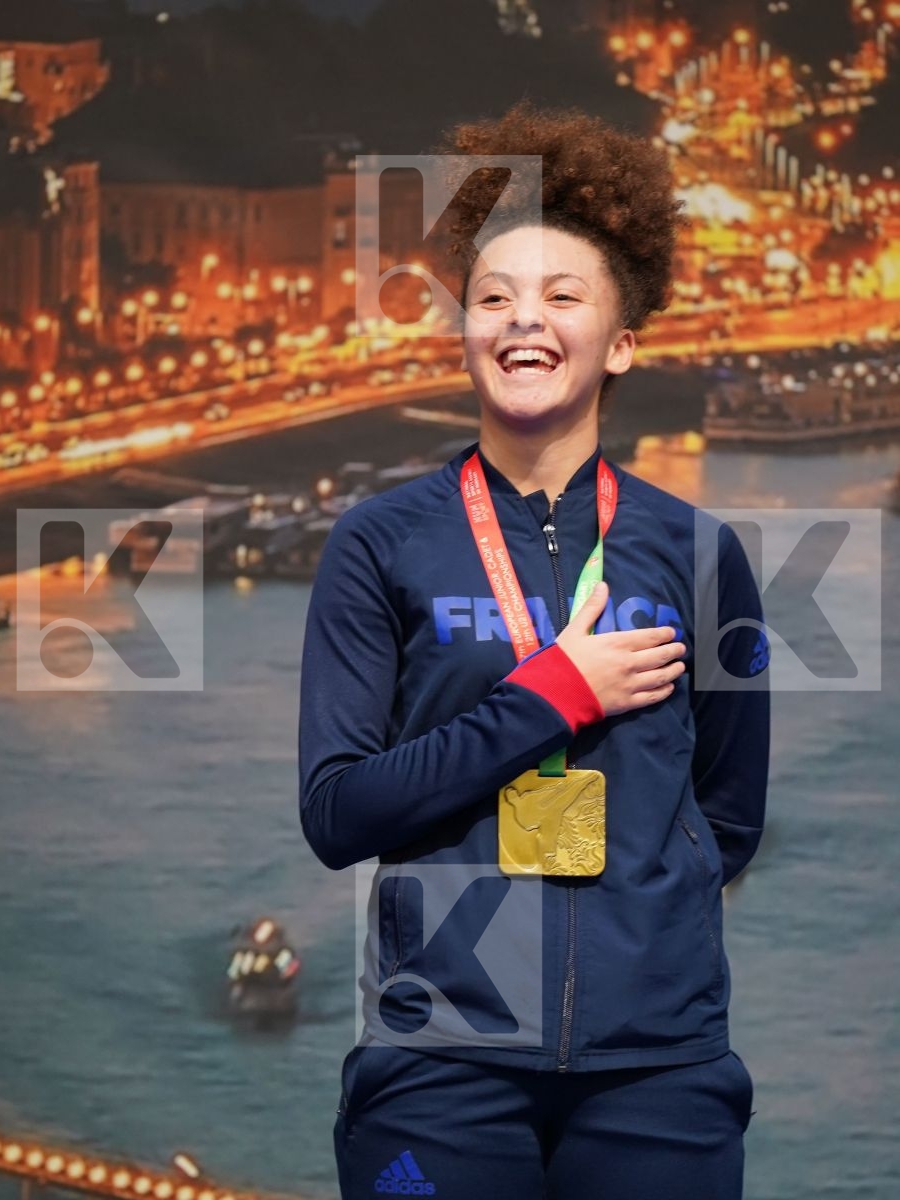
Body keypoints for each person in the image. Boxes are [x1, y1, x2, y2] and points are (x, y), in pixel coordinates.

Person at [298, 101, 771, 1200]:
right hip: (437, 1063)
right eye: (493, 299)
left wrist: (645, 921)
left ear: (622, 342)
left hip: (659, 1073)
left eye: (565, 298)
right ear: (463, 332)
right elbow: (339, 811)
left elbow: (731, 815)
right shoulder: (380, 544)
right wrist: (552, 693)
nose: (525, 322)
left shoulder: (703, 555)